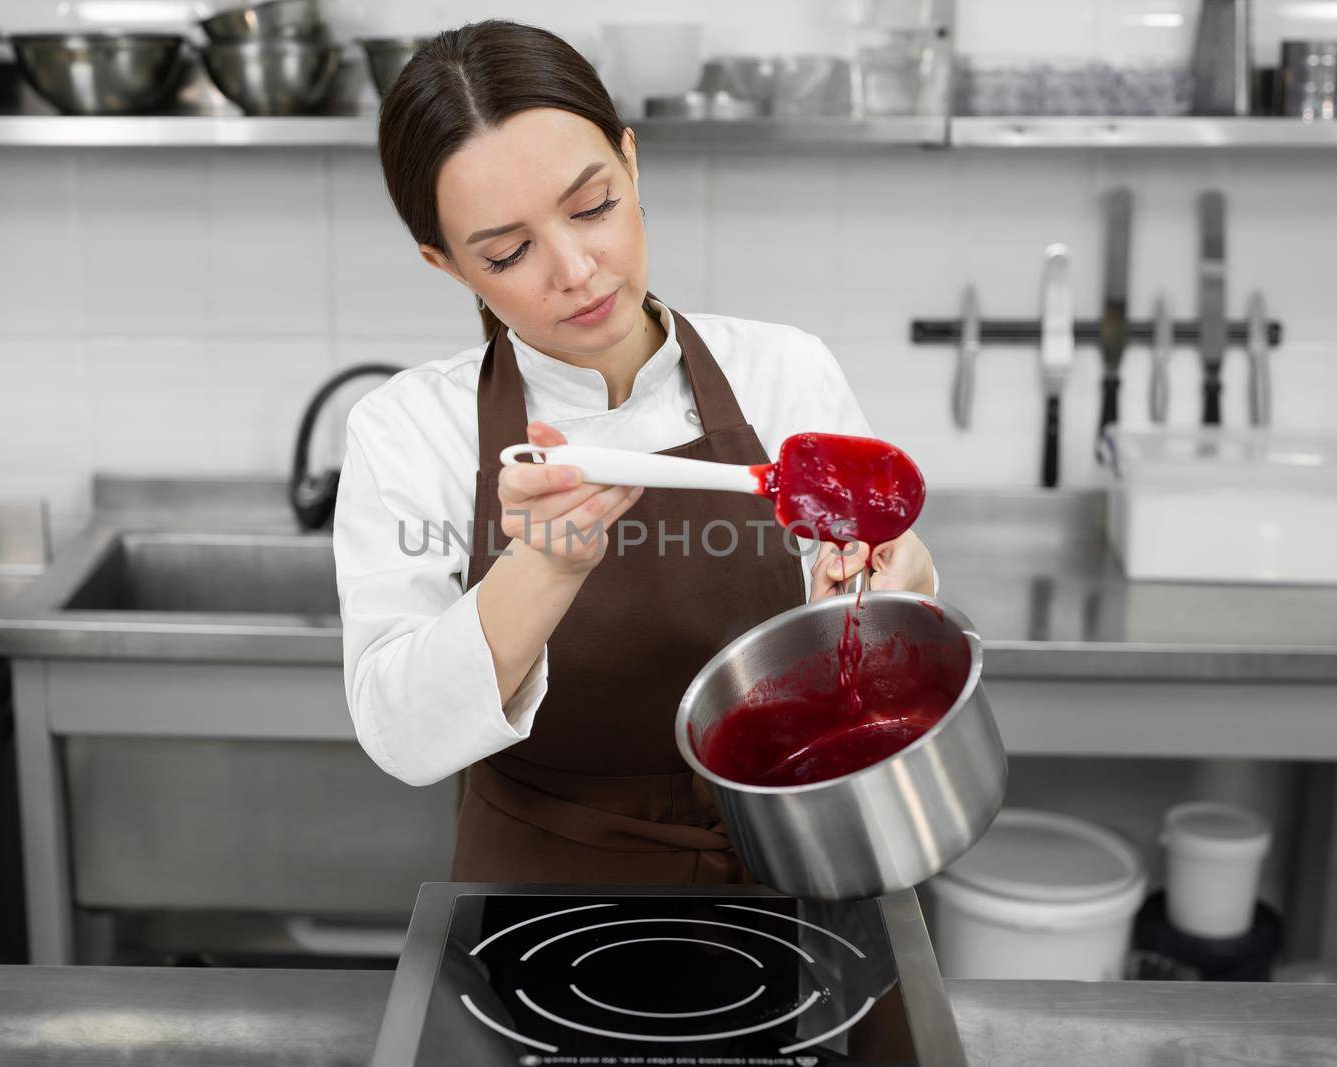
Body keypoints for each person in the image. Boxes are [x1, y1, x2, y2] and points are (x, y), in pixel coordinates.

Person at [334, 19, 935, 885]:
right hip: (534, 905)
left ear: (631, 160)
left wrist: (886, 591)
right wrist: (540, 568)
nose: (576, 269)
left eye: (593, 208)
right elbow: (402, 737)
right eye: (508, 252)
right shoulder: (408, 430)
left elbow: (874, 644)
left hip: (799, 868)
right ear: (447, 264)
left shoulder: (784, 372)